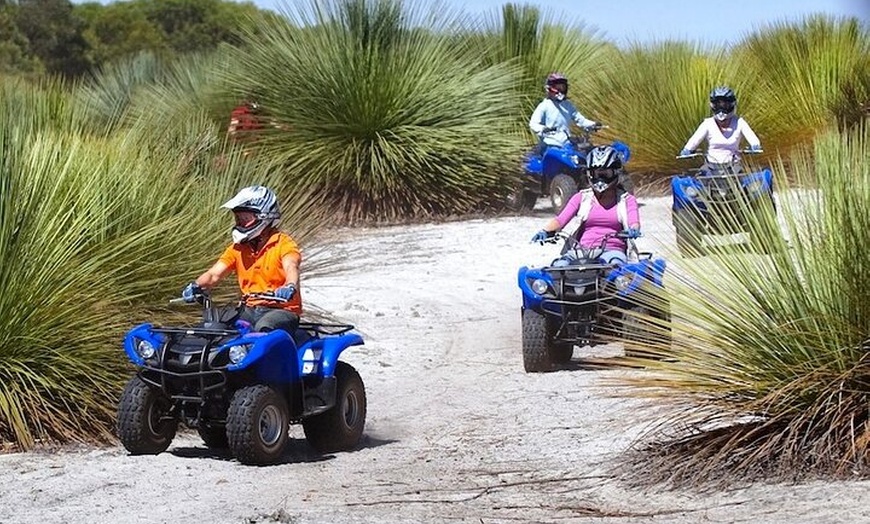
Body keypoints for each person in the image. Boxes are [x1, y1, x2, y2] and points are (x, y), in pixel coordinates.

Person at [181, 185, 302, 335]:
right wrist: (196, 285)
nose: (240, 223)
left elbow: (291, 266)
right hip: (249, 309)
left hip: (282, 311)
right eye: (238, 218)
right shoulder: (238, 248)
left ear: (264, 216)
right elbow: (214, 274)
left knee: (265, 327)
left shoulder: (283, 243)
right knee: (214, 326)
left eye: (246, 219)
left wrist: (289, 286)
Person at [530, 145, 640, 265]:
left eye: (605, 174)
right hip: (581, 251)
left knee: (614, 266)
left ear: (615, 173)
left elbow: (633, 221)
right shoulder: (581, 198)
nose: (600, 179)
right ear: (589, 174)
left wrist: (634, 230)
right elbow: (560, 220)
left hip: (613, 250)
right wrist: (545, 231)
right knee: (559, 266)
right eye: (596, 174)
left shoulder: (627, 200)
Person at [679, 86, 762, 169]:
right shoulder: (708, 123)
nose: (721, 109)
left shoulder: (739, 122)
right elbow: (695, 139)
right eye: (718, 105)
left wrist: (755, 146)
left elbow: (752, 137)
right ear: (713, 105)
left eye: (725, 105)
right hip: (710, 166)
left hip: (734, 166)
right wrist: (687, 150)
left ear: (732, 104)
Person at [529, 72, 600, 154]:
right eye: (557, 87)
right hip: (549, 145)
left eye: (562, 87)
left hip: (566, 145)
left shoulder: (568, 105)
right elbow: (533, 123)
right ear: (550, 88)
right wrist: (543, 129)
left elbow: (581, 120)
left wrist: (593, 124)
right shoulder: (544, 106)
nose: (560, 90)